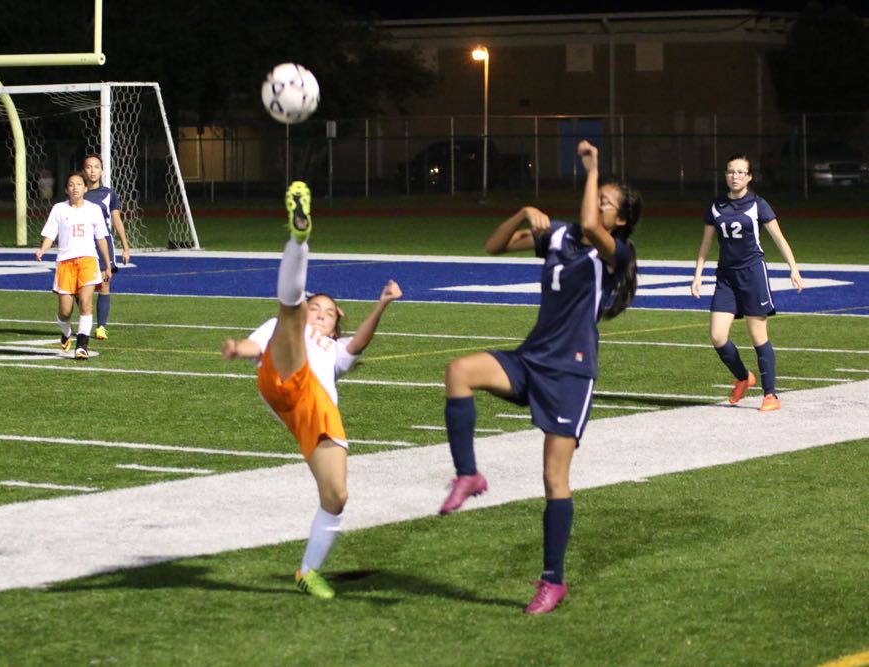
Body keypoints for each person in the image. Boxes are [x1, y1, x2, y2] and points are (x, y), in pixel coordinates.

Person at [438, 140, 641, 615]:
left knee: (554, 479)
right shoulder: (561, 236)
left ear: (621, 221)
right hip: (531, 359)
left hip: (570, 374)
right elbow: (493, 246)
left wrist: (591, 168)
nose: (597, 206)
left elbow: (591, 224)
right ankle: (468, 474)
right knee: (458, 372)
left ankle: (553, 581)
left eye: (607, 202)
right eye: (599, 195)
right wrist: (522, 212)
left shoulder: (618, 253)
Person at [221, 181, 402, 600]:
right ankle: (298, 239)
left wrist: (383, 302)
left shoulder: (336, 350)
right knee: (287, 311)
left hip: (316, 412)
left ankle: (307, 571)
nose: (318, 315)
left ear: (336, 323)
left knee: (336, 496)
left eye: (325, 313)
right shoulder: (293, 328)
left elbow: (359, 344)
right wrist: (237, 347)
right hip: (283, 379)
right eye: (314, 308)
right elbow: (257, 346)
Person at [690, 154, 803, 412]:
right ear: (725, 175)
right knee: (717, 336)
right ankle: (743, 377)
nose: (735, 176)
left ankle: (770, 394)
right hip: (726, 277)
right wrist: (698, 274)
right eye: (731, 171)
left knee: (757, 335)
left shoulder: (758, 205)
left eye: (741, 172)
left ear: (750, 177)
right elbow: (706, 243)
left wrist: (793, 269)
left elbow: (779, 239)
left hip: (753, 274)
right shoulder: (716, 206)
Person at [36, 172, 112, 360]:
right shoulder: (59, 209)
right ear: (66, 189)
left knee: (86, 304)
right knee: (65, 311)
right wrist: (42, 250)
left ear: (85, 188)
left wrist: (108, 264)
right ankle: (66, 331)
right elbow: (50, 235)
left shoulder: (94, 210)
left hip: (88, 261)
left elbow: (101, 238)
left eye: (79, 184)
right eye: (71, 185)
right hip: (65, 263)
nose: (75, 187)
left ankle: (82, 346)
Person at [82, 154, 131, 341]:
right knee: (81, 288)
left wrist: (125, 247)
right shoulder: (78, 192)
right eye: (89, 167)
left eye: (96, 167)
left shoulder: (109, 194)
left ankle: (101, 327)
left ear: (102, 170)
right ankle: (85, 320)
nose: (93, 171)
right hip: (83, 246)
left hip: (103, 246)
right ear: (84, 170)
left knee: (104, 285)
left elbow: (116, 220)